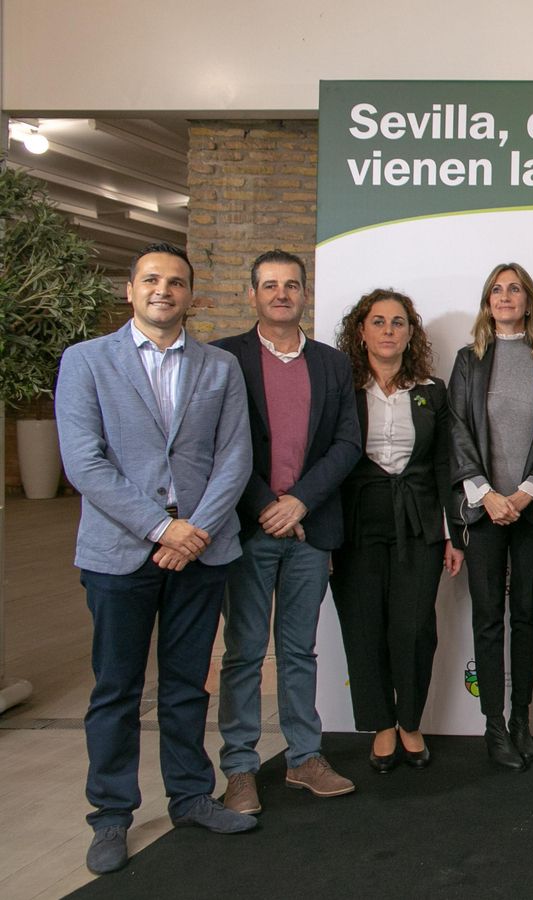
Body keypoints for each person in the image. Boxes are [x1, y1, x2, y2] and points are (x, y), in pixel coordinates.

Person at [56, 242, 256, 875]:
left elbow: (234, 458)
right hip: (121, 553)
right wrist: (159, 528)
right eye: (150, 279)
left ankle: (191, 795)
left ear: (192, 296)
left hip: (202, 549)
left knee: (185, 683)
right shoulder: (86, 361)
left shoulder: (219, 366)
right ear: (130, 289)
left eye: (175, 281)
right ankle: (111, 815)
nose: (163, 289)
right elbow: (85, 462)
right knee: (116, 688)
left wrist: (192, 530)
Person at [214, 250, 362, 814]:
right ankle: (241, 768)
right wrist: (266, 507)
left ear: (305, 295)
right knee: (245, 652)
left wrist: (299, 502)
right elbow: (220, 446)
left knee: (300, 650)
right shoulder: (224, 358)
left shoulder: (331, 363)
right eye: (270, 285)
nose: (281, 294)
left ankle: (304, 757)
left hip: (310, 529)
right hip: (248, 529)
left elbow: (347, 444)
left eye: (291, 285)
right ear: (251, 295)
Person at [330, 288, 463, 773]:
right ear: (360, 330)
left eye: (399, 322)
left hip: (419, 523)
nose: (389, 330)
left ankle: (409, 721)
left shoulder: (433, 390)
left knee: (413, 628)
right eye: (379, 321)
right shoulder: (340, 385)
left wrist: (453, 533)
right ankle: (381, 724)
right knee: (364, 627)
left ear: (412, 333)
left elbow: (444, 464)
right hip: (355, 523)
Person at [447, 263, 533, 772]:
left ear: (529, 301)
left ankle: (521, 719)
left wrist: (528, 491)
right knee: (488, 617)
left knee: (528, 614)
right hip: (483, 508)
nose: (506, 296)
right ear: (487, 301)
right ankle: (492, 723)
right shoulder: (469, 360)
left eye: (515, 289)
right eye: (497, 289)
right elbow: (457, 431)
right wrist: (488, 494)